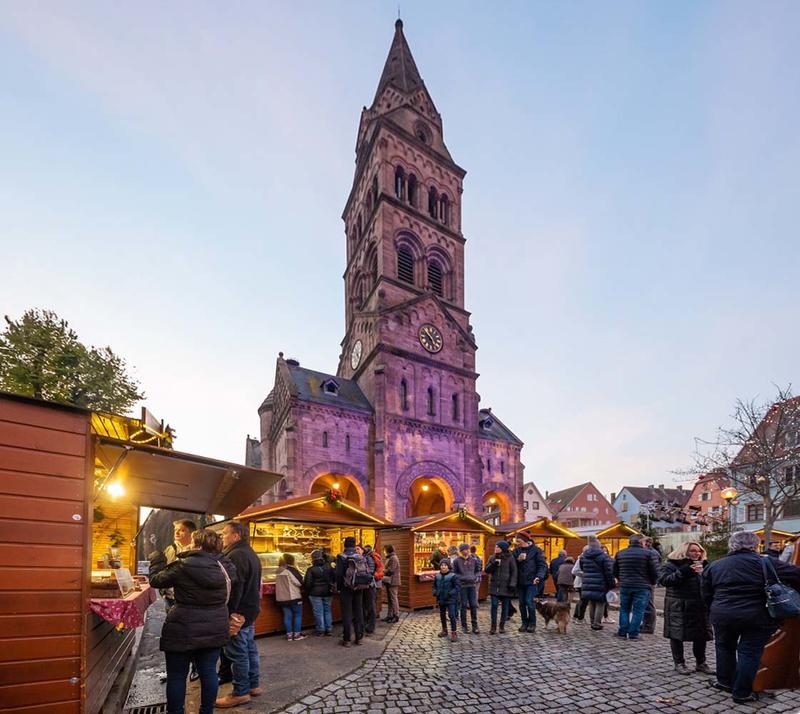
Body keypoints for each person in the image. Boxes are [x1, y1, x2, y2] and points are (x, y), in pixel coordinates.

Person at [702, 530, 800, 704]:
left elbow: (706, 593)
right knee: (749, 653)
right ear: (755, 546)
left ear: (731, 545)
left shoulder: (715, 565)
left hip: (722, 614)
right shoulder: (767, 562)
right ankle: (741, 693)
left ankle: (725, 682)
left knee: (724, 648)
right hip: (757, 616)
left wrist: (715, 609)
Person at [148, 528, 235, 714]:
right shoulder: (224, 566)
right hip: (215, 625)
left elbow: (156, 580)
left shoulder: (183, 565)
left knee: (177, 676)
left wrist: (156, 559)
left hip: (183, 627)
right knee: (209, 672)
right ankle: (206, 711)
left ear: (197, 544)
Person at [216, 521, 262, 709]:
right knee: (249, 648)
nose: (222, 537)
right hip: (250, 610)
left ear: (236, 536)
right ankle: (253, 684)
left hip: (239, 612)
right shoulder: (249, 553)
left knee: (237, 652)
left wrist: (231, 612)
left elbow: (235, 587)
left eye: (225, 533)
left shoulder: (236, 555)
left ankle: (241, 692)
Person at [658, 541, 713, 675]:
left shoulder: (705, 565)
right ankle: (679, 663)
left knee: (701, 635)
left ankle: (701, 663)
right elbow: (665, 580)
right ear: (684, 551)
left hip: (699, 605)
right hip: (678, 605)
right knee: (677, 634)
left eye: (699, 551)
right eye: (693, 551)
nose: (697, 553)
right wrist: (685, 571)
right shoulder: (671, 564)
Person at [613, 534, 657, 640]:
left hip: (625, 585)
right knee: (638, 610)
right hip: (642, 586)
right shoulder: (648, 554)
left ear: (630, 542)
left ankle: (622, 632)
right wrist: (652, 582)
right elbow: (654, 571)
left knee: (624, 609)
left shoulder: (620, 553)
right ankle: (633, 634)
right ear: (642, 542)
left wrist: (621, 579)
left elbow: (614, 570)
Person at [335, 536, 367, 647]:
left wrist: (338, 588)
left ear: (345, 545)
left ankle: (347, 639)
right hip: (359, 586)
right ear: (354, 545)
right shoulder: (360, 556)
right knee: (358, 612)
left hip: (346, 588)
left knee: (347, 613)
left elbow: (339, 575)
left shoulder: (341, 556)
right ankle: (359, 638)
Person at [513, 532, 547, 633]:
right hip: (520, 581)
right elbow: (512, 565)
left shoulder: (536, 550)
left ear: (525, 540)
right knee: (522, 603)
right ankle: (524, 623)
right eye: (516, 541)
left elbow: (542, 565)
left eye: (518, 541)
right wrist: (518, 560)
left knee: (529, 601)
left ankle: (532, 623)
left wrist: (539, 576)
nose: (517, 543)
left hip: (532, 581)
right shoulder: (516, 551)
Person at [578, 536, 614, 631]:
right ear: (599, 546)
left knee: (591, 602)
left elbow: (582, 568)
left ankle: (592, 621)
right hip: (601, 582)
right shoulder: (604, 556)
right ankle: (597, 623)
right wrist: (612, 584)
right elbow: (609, 571)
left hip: (587, 582)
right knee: (600, 603)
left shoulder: (584, 556)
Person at [485, 541, 517, 634]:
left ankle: (502, 626)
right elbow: (487, 570)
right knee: (494, 606)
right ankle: (493, 627)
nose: (496, 548)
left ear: (503, 548)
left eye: (498, 547)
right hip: (494, 586)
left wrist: (512, 584)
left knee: (505, 607)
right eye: (495, 547)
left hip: (506, 587)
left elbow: (514, 572)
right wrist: (493, 564)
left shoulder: (510, 558)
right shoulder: (492, 557)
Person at [304, 549, 335, 636]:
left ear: (313, 559)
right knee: (327, 610)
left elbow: (307, 583)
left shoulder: (311, 569)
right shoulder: (329, 567)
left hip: (315, 593)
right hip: (328, 592)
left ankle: (320, 630)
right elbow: (334, 578)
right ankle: (329, 629)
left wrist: (308, 591)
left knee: (318, 612)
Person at [452, 543, 481, 634]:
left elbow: (477, 570)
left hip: (472, 585)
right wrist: (461, 578)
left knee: (473, 605)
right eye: (465, 549)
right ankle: (464, 626)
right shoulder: (456, 561)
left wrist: (475, 577)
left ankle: (475, 626)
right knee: (463, 605)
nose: (468, 551)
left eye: (468, 549)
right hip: (462, 586)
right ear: (461, 551)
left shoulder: (473, 560)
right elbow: (454, 572)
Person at [275, 553, 305, 641]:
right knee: (297, 615)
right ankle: (297, 635)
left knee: (287, 616)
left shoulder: (278, 570)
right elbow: (299, 582)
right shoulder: (291, 570)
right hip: (293, 596)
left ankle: (289, 635)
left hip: (281, 598)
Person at [432, 558, 461, 641]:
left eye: (445, 565)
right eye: (441, 565)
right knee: (442, 615)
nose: (443, 567)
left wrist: (450, 593)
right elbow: (434, 586)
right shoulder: (437, 576)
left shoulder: (453, 576)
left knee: (451, 615)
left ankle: (454, 632)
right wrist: (435, 592)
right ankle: (444, 630)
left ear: (448, 566)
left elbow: (457, 587)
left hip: (450, 599)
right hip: (441, 599)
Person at [640, 536, 661, 635]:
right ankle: (645, 624)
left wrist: (653, 582)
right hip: (647, 581)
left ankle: (648, 626)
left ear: (647, 543)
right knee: (646, 604)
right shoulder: (651, 552)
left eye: (642, 542)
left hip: (648, 582)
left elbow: (655, 570)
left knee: (649, 604)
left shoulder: (651, 553)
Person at [362, 544, 383, 634]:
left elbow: (370, 572)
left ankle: (371, 626)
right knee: (369, 606)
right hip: (370, 585)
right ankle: (368, 624)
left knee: (370, 606)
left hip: (370, 585)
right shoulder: (369, 557)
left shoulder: (369, 558)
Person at [382, 543, 401, 623]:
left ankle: (396, 615)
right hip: (390, 581)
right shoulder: (390, 557)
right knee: (390, 599)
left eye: (384, 550)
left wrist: (383, 570)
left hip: (393, 581)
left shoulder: (393, 558)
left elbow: (391, 570)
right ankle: (390, 615)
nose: (383, 552)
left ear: (387, 550)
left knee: (393, 599)